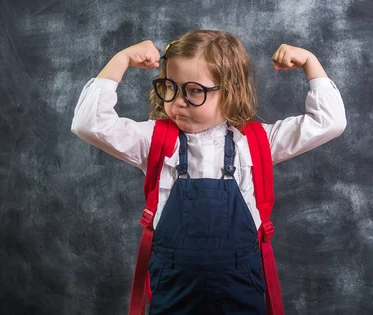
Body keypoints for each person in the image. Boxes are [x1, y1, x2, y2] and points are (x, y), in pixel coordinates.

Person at [71, 29, 347, 314]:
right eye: (170, 87)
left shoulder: (254, 143)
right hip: (174, 286)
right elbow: (88, 123)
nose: (178, 101)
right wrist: (122, 59)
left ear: (231, 92)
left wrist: (311, 63)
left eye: (194, 91)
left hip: (240, 283)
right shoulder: (154, 140)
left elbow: (330, 122)